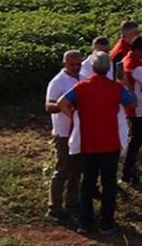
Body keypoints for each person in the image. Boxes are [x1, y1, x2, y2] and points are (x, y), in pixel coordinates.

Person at [59, 51, 135, 235]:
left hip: (89, 141)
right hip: (110, 142)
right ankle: (107, 223)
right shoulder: (115, 88)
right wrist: (123, 83)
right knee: (109, 183)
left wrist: (77, 117)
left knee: (87, 182)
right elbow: (132, 103)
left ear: (92, 68)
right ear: (108, 67)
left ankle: (85, 222)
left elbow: (62, 102)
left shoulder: (81, 87)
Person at [45, 49, 83, 222]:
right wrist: (64, 106)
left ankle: (72, 203)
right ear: (64, 64)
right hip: (63, 132)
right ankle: (54, 207)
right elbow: (49, 105)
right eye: (72, 64)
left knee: (76, 169)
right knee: (62, 169)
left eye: (78, 64)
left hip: (78, 131)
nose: (75, 67)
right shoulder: (58, 82)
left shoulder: (82, 78)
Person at [121, 35, 142, 185]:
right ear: (137, 50)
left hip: (129, 105)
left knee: (132, 138)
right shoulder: (137, 68)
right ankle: (128, 171)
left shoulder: (125, 61)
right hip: (139, 107)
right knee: (136, 140)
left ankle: (128, 168)